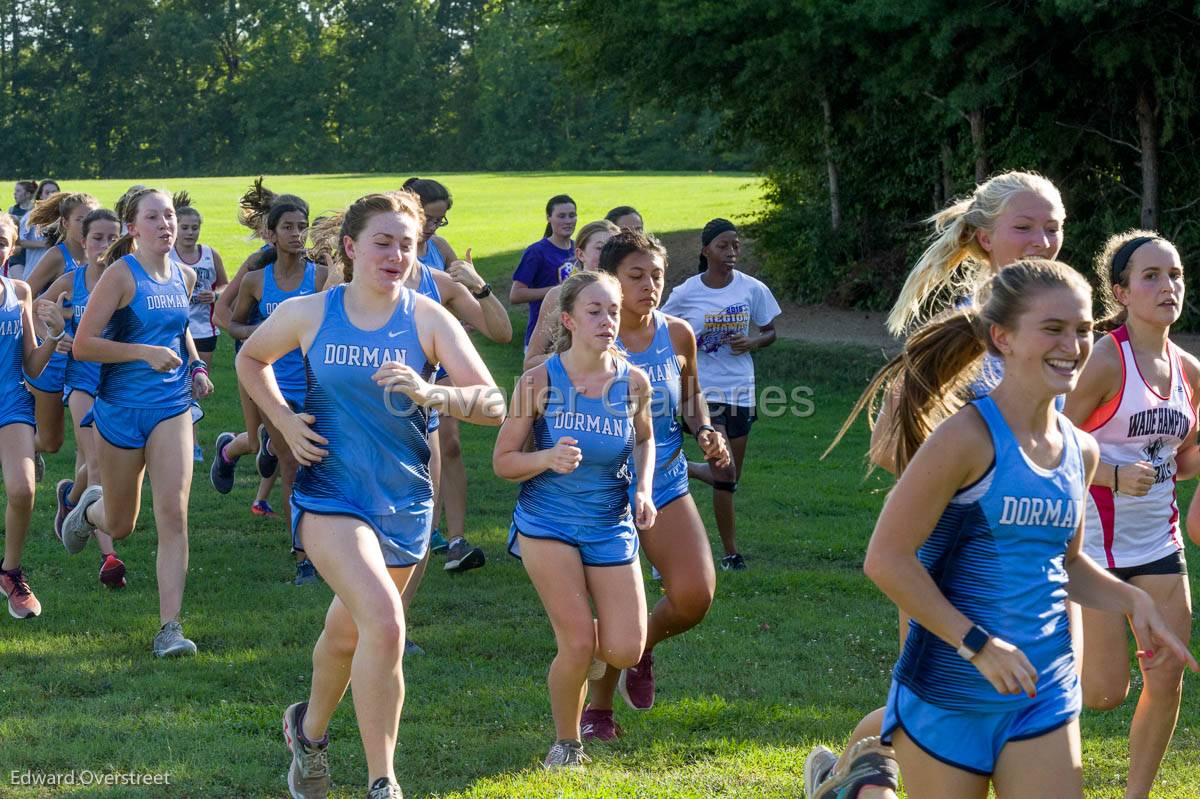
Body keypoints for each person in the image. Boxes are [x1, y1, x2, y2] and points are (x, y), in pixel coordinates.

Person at [858, 259, 1196, 798]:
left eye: (1084, 330)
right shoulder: (964, 437)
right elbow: (887, 559)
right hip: (952, 687)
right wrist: (979, 645)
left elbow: (1066, 564)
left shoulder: (1080, 449)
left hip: (1043, 690)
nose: (1074, 345)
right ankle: (855, 778)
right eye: (1054, 329)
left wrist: (1133, 603)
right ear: (1003, 337)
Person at [809, 170, 1069, 799]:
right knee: (936, 704)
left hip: (1025, 560)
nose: (1042, 240)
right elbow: (895, 446)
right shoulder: (963, 332)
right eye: (1025, 227)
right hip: (944, 561)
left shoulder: (1057, 329)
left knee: (988, 704)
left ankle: (844, 774)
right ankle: (848, 774)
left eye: (1053, 227)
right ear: (982, 239)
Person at [237, 191, 504, 799]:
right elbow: (252, 359)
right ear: (352, 247)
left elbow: (492, 403)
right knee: (385, 622)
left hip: (406, 500)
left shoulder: (428, 319)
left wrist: (433, 394)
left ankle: (307, 733)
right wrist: (282, 418)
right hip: (331, 495)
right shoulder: (311, 312)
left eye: (407, 245)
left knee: (349, 632)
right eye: (383, 242)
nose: (396, 255)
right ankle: (384, 782)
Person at [494, 269, 657, 769]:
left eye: (613, 310)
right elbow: (503, 461)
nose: (608, 320)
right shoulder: (539, 379)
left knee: (626, 649)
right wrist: (545, 459)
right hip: (548, 522)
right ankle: (566, 744)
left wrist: (643, 489)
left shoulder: (633, 382)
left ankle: (585, 629)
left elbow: (646, 439)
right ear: (568, 318)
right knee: (579, 644)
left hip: (609, 522)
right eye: (595, 311)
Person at [1062, 232, 1198, 799]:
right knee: (1102, 693)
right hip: (1092, 547)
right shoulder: (1102, 361)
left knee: (1167, 677)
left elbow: (1183, 460)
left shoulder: (1190, 369)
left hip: (1160, 545)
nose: (1168, 286)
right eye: (1151, 276)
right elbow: (1045, 443)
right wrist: (1111, 476)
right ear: (1120, 291)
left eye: (1176, 276)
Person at [579, 231, 730, 741]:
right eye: (636, 276)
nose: (649, 286)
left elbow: (691, 399)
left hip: (664, 480)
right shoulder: (595, 337)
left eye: (657, 276)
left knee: (694, 596)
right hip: (600, 491)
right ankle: (597, 711)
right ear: (613, 282)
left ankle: (641, 647)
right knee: (618, 610)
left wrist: (706, 430)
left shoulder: (678, 333)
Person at [60, 188, 214, 657]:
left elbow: (177, 328)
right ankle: (88, 509)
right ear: (133, 228)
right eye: (154, 217)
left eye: (169, 215)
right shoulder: (119, 276)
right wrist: (143, 353)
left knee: (174, 513)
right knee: (122, 525)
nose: (166, 224)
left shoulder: (184, 276)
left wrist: (196, 367)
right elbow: (84, 344)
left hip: (171, 409)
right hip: (120, 413)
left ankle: (170, 628)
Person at [661, 218, 779, 570]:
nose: (731, 253)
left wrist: (754, 341)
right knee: (724, 472)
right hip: (703, 391)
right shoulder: (686, 292)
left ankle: (684, 468)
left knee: (729, 479)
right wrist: (686, 350)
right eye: (723, 246)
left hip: (741, 389)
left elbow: (770, 330)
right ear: (706, 250)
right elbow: (659, 326)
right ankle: (731, 554)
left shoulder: (752, 288)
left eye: (736, 246)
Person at [228, 184, 324, 584]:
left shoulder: (320, 276)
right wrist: (264, 332)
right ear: (271, 233)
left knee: (322, 468)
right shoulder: (255, 281)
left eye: (302, 226)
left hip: (317, 387)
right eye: (288, 227)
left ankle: (332, 543)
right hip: (274, 388)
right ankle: (303, 556)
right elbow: (230, 323)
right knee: (291, 469)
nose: (297, 234)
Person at [37, 208, 127, 588]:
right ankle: (109, 557)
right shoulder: (72, 280)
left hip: (121, 382)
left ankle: (69, 498)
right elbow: (39, 306)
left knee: (103, 464)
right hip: (81, 379)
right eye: (97, 238)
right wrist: (57, 335)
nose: (104, 245)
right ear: (83, 242)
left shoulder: (129, 279)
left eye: (112, 238)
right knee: (96, 462)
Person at [0, 213, 65, 618]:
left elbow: (32, 363)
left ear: (12, 247)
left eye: (3, 240)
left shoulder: (19, 291)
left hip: (11, 404)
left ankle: (10, 572)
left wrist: (55, 334)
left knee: (23, 491)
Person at [23, 191, 101, 477]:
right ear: (66, 223)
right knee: (51, 442)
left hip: (87, 358)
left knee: (89, 442)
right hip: (53, 359)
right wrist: (50, 337)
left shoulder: (103, 258)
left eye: (92, 218)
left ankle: (79, 504)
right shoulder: (58, 257)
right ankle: (20, 445)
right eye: (81, 220)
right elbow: (25, 299)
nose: (88, 225)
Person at [172, 193, 228, 462]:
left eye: (195, 227)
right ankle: (185, 440)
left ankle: (189, 440)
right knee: (176, 383)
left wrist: (215, 296)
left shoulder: (209, 254)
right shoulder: (167, 254)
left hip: (204, 330)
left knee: (195, 384)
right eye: (185, 227)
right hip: (174, 330)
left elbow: (226, 286)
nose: (190, 232)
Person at [524, 219, 620, 370]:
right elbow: (530, 362)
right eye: (600, 248)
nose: (608, 255)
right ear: (580, 254)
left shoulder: (628, 295)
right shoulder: (558, 296)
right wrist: (574, 356)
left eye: (614, 249)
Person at [510, 194, 577, 349]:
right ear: (549, 218)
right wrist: (558, 290)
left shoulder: (579, 249)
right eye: (561, 216)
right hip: (542, 338)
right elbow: (516, 294)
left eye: (572, 215)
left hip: (572, 338)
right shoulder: (536, 252)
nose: (568, 221)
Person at [16, 179, 61, 282]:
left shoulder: (63, 217)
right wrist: (44, 244)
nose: (51, 195)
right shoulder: (31, 216)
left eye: (54, 192)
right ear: (40, 196)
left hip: (57, 272)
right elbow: (20, 241)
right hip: (34, 270)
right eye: (47, 192)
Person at [6, 180, 36, 279]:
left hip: (33, 254)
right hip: (18, 257)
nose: (15, 193)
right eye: (15, 191)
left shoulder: (35, 212)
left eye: (18, 191)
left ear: (28, 194)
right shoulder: (12, 210)